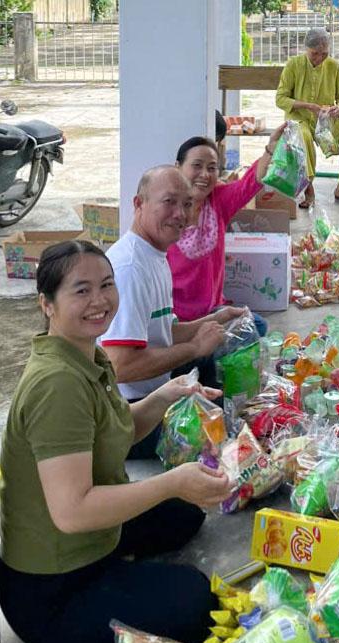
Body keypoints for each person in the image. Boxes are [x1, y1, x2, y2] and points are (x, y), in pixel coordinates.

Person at [0, 240, 233, 643]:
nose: (100, 300)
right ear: (47, 304)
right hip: (52, 589)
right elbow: (72, 512)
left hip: (93, 539)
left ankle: (124, 566)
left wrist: (165, 395)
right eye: (81, 290)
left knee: (185, 516)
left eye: (106, 285)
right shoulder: (57, 385)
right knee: (196, 600)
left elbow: (116, 431)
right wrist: (170, 482)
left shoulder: (87, 355)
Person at [100, 166, 246, 460]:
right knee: (225, 434)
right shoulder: (130, 268)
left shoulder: (154, 254)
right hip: (127, 412)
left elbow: (163, 332)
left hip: (156, 389)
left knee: (236, 343)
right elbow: (121, 366)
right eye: (169, 202)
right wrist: (194, 348)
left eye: (187, 204)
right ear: (139, 204)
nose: (180, 213)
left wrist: (214, 320)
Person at [166, 126, 285, 331]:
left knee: (257, 327)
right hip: (176, 321)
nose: (204, 174)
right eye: (197, 166)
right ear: (178, 167)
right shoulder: (163, 212)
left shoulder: (218, 201)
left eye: (212, 168)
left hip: (214, 312)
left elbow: (250, 183)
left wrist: (271, 150)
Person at [276, 27, 339, 208]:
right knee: (303, 137)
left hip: (326, 119)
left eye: (324, 54)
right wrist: (308, 106)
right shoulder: (293, 65)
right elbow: (280, 98)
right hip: (299, 119)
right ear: (306, 49)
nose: (319, 58)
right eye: (314, 53)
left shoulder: (333, 66)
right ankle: (308, 189)